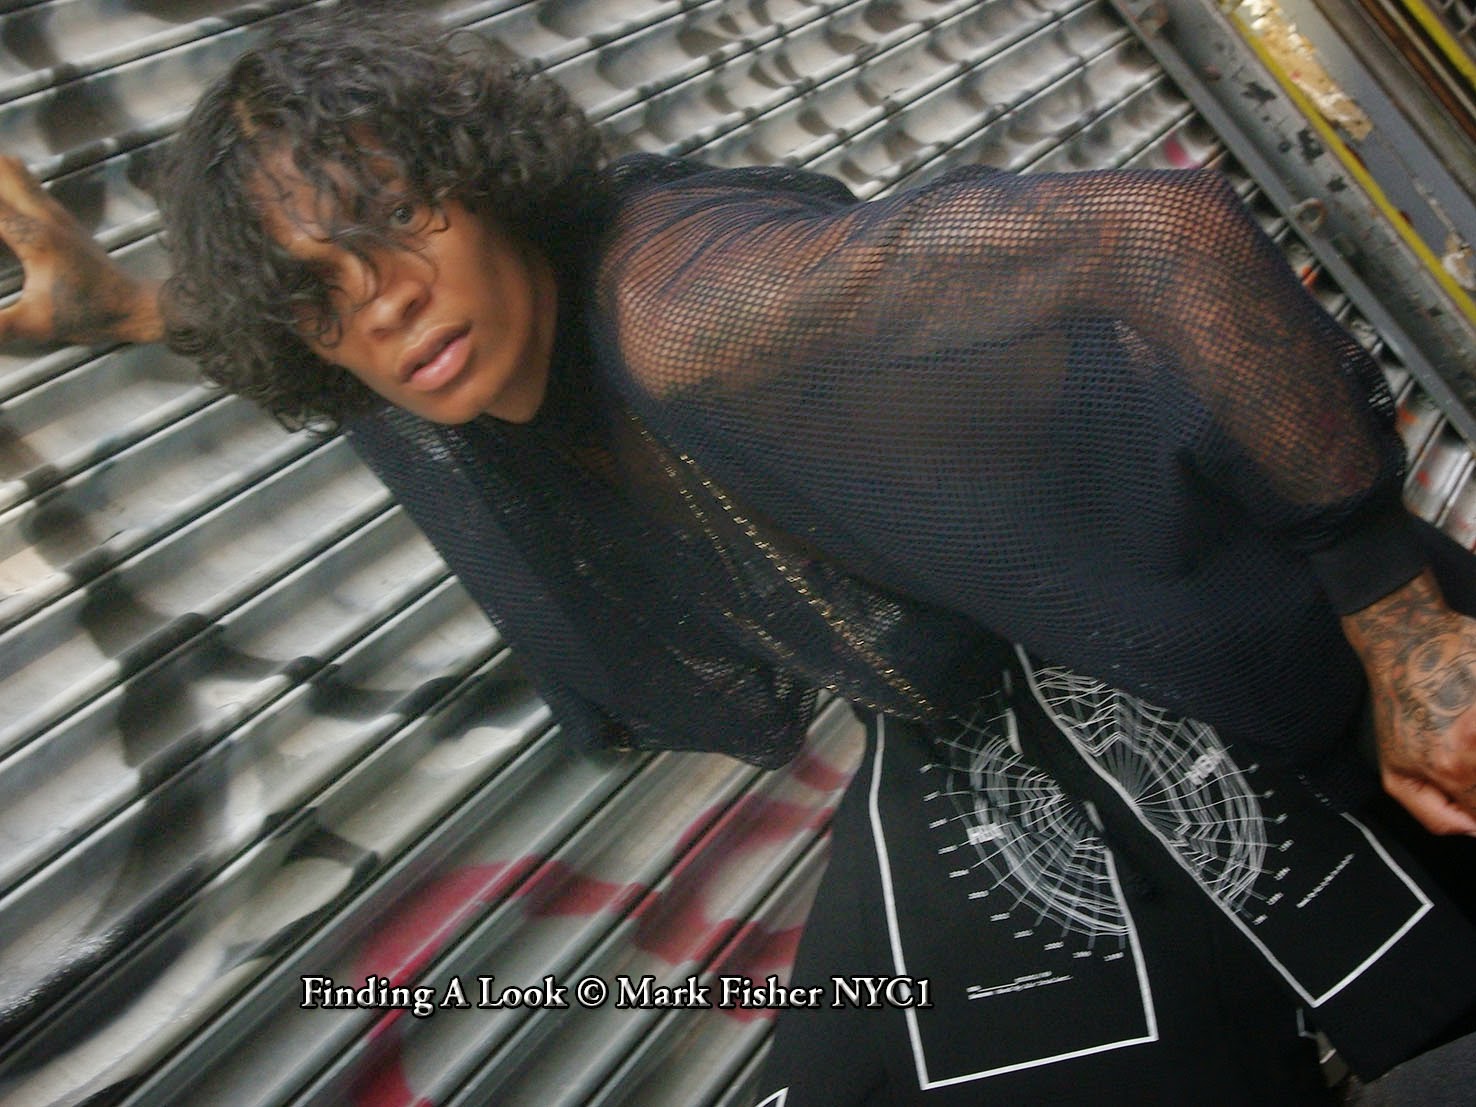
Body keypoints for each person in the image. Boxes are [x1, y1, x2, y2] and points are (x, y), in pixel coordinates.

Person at [1, 8, 1473, 1103]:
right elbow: (301, 318)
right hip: (980, 692)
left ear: (483, 175)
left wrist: (1403, 631)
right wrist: (131, 311)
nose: (381, 301)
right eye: (320, 295)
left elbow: (1160, 235)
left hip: (1206, 605)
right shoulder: (435, 353)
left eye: (393, 220)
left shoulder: (690, 312)